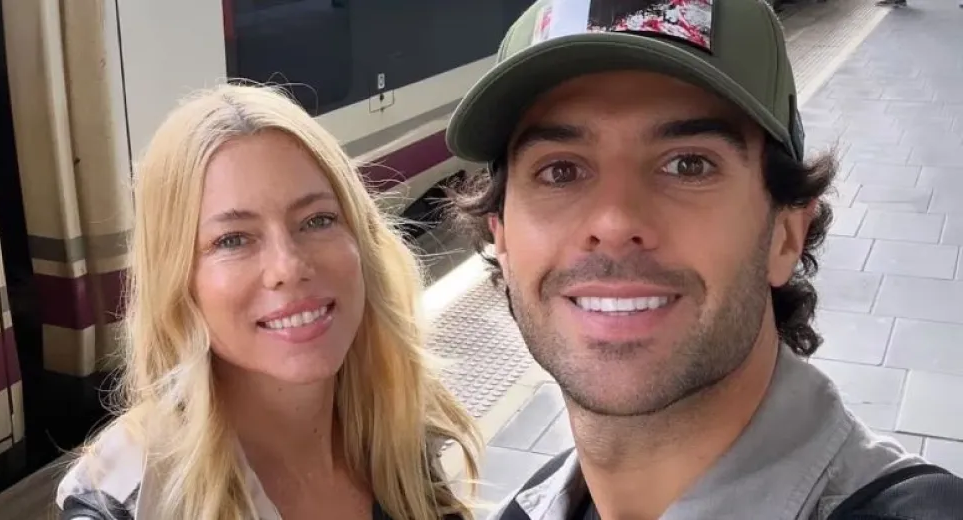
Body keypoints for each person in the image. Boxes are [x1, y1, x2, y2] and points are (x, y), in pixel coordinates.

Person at [447, 0, 963, 518]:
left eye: (688, 165)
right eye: (560, 171)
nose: (614, 222)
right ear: (503, 240)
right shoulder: (524, 507)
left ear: (786, 236)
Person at [54, 84, 481, 519]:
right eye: (232, 239)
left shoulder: (396, 429)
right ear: (177, 280)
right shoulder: (128, 502)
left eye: (317, 220)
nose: (288, 267)